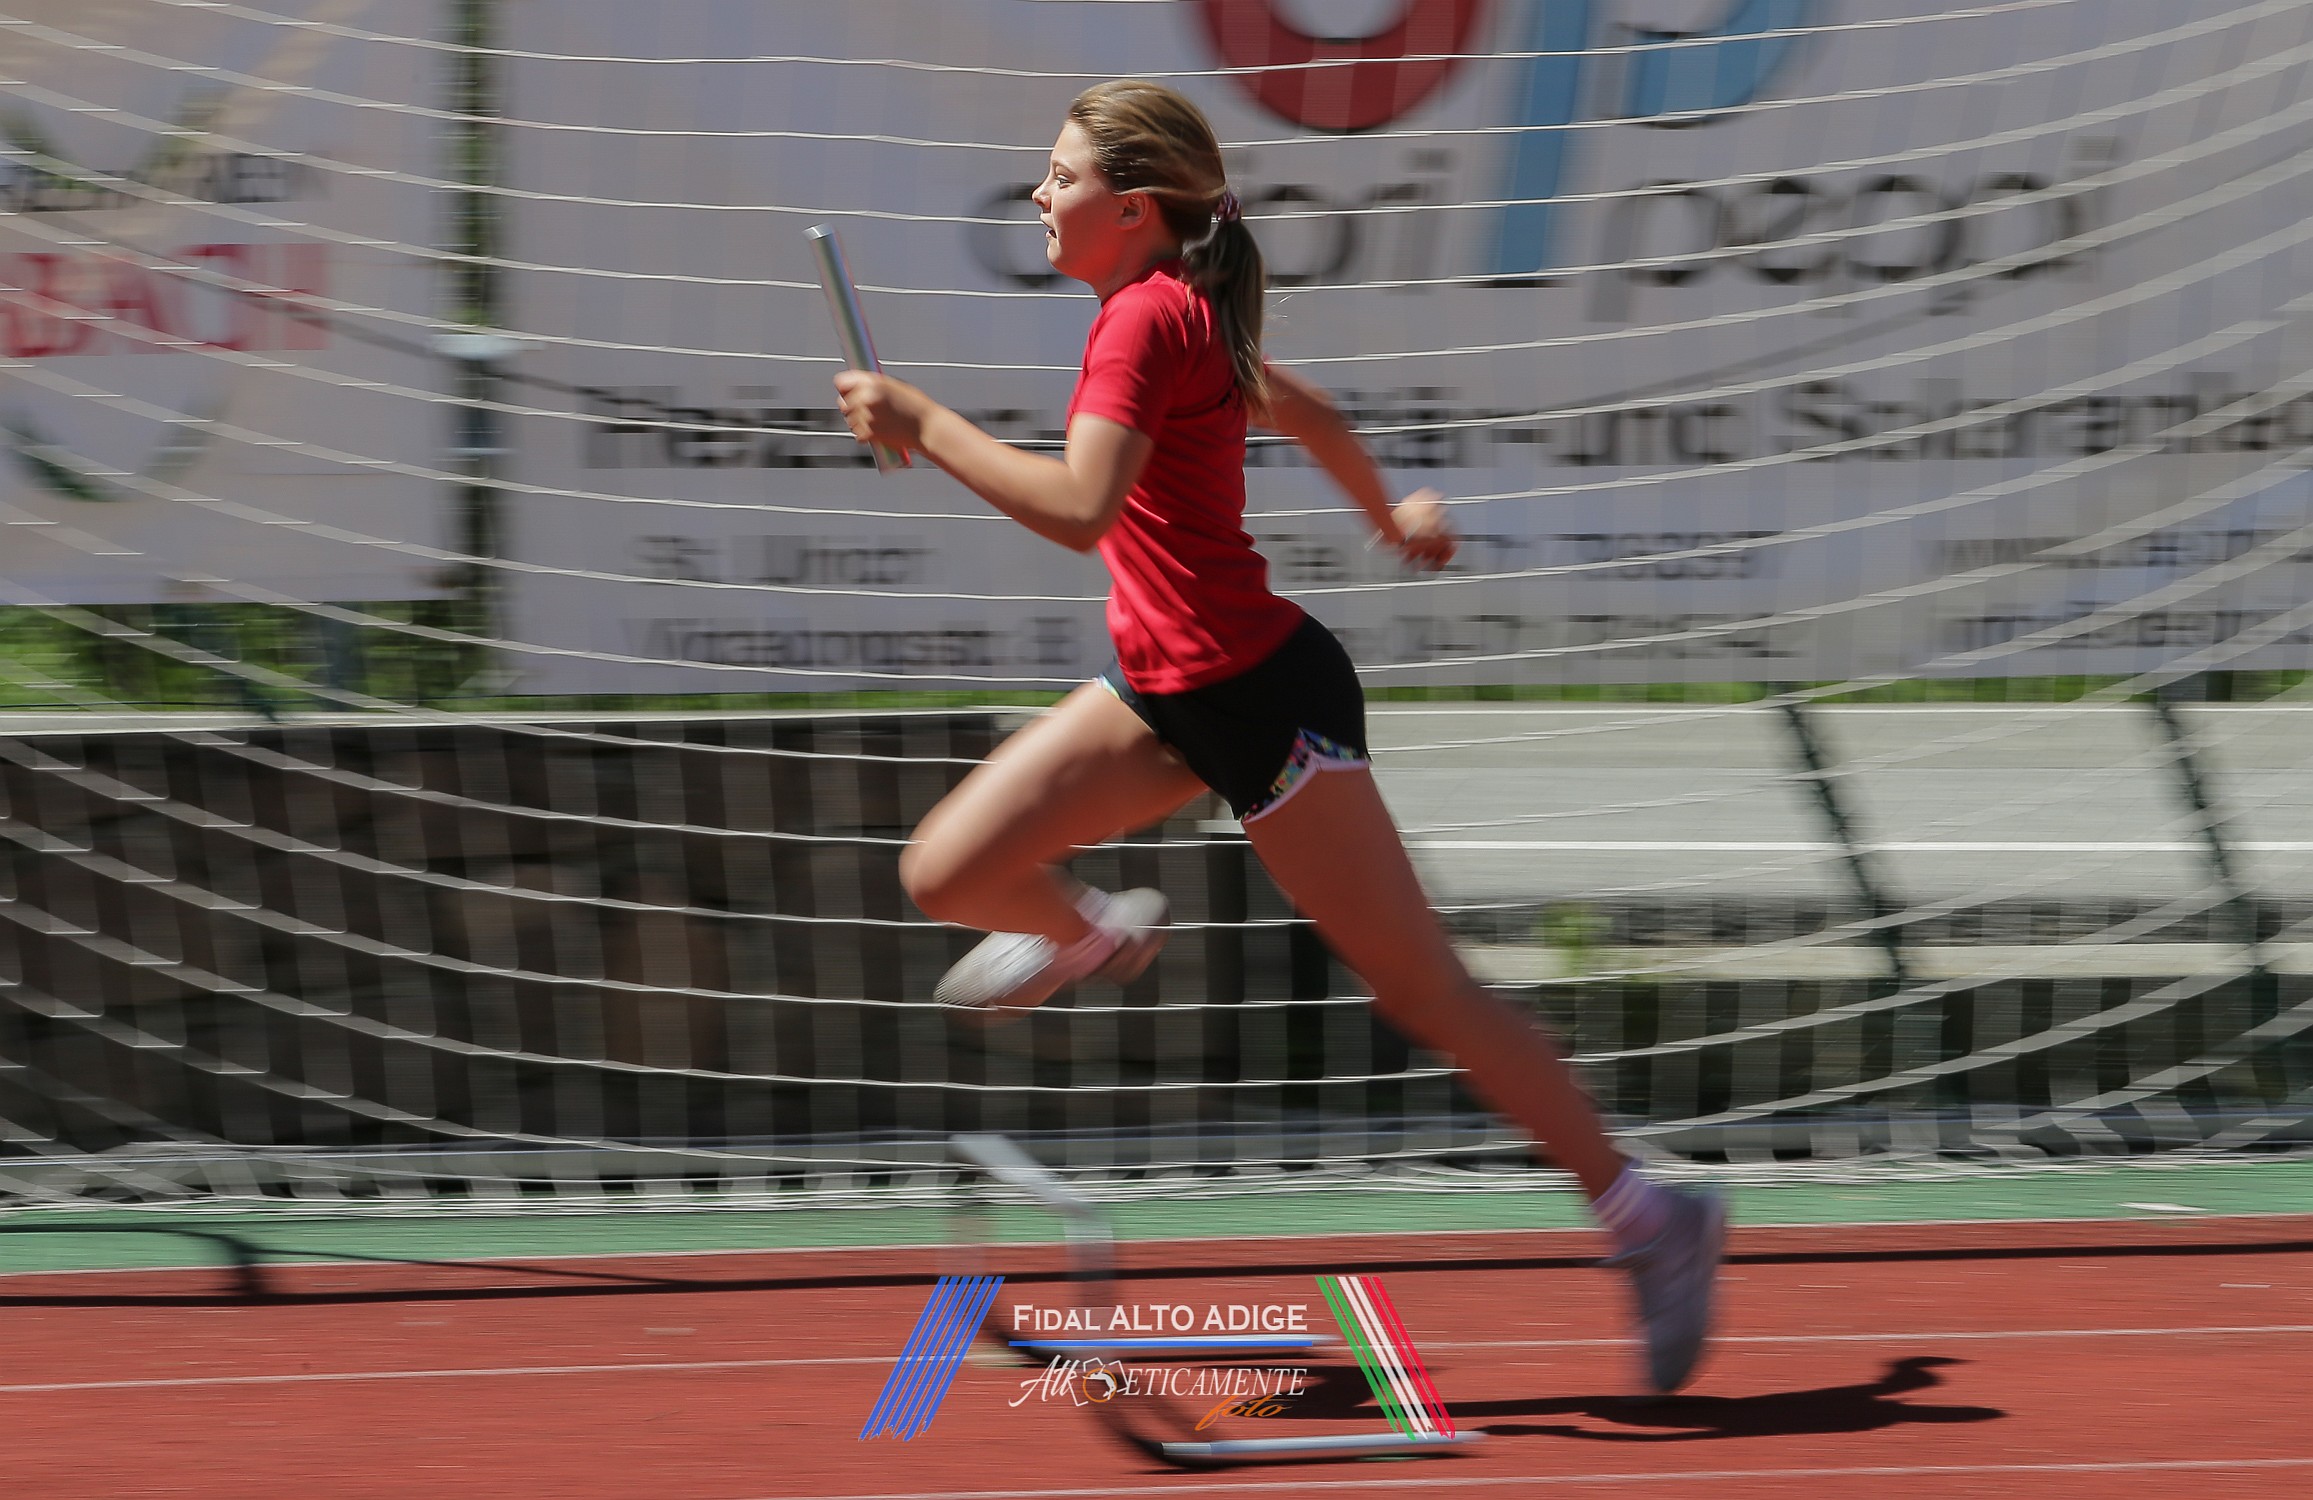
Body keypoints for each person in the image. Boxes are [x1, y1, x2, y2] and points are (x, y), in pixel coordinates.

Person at [832, 79, 1724, 1394]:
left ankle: (1651, 1217)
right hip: (1164, 694)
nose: (1038, 192)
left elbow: (1080, 510)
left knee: (1424, 992)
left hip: (1265, 707)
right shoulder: (1173, 309)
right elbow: (1306, 413)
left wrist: (924, 422)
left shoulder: (1147, 320)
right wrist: (1388, 514)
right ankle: (1088, 935)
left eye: (1062, 175)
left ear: (1132, 207)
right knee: (946, 871)